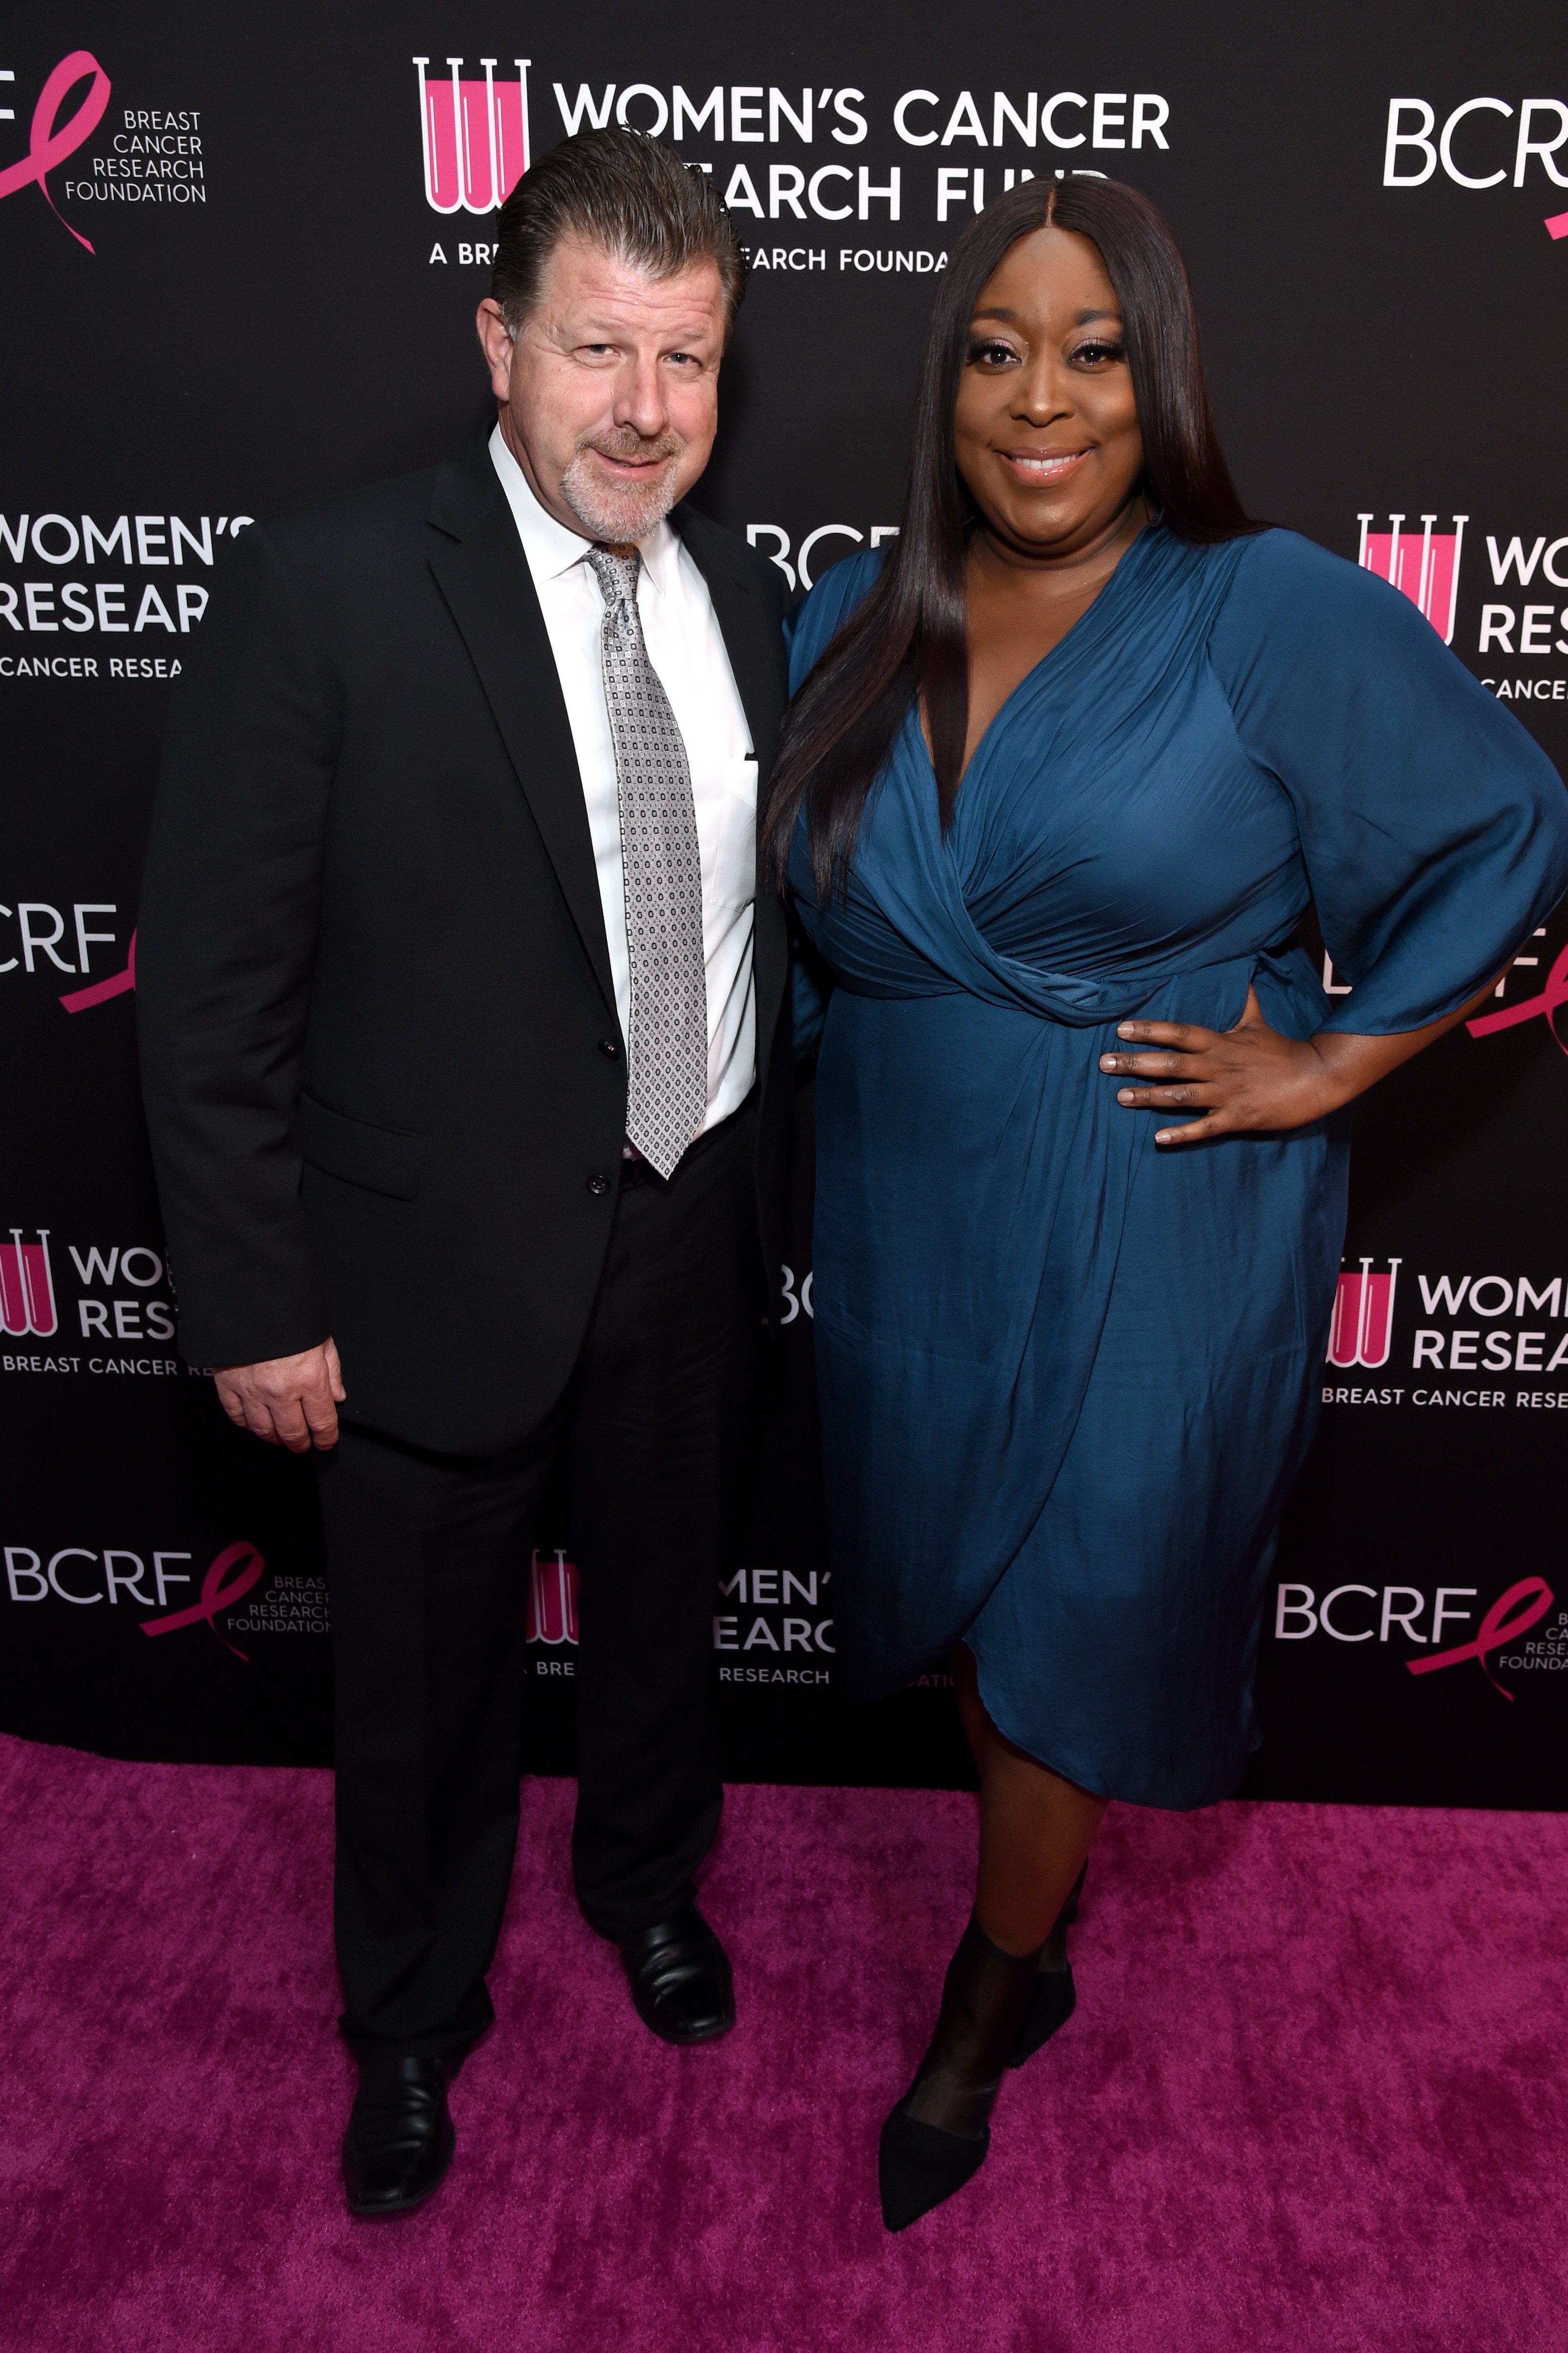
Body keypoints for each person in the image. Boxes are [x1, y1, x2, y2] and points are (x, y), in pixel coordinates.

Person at [765, 176, 1568, 2232]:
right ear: (941, 381)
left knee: (1064, 1619)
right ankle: (1021, 1921)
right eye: (993, 348)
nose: (1041, 397)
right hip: (902, 1219)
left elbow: (1513, 823)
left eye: (1094, 348)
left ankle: (990, 1988)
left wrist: (1328, 1055)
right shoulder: (851, 618)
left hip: (1155, 1221)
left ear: (1162, 373)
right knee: (966, 1610)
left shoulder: (1267, 606)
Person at [138, 129, 791, 2219]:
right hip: (418, 1266)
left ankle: (646, 1885)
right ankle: (409, 2019)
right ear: (499, 339)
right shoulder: (328, 585)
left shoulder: (748, 599)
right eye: (598, 348)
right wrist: (251, 1293)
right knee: (421, 1681)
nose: (641, 407)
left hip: (685, 1226)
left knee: (667, 1617)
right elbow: (213, 981)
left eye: (683, 360)